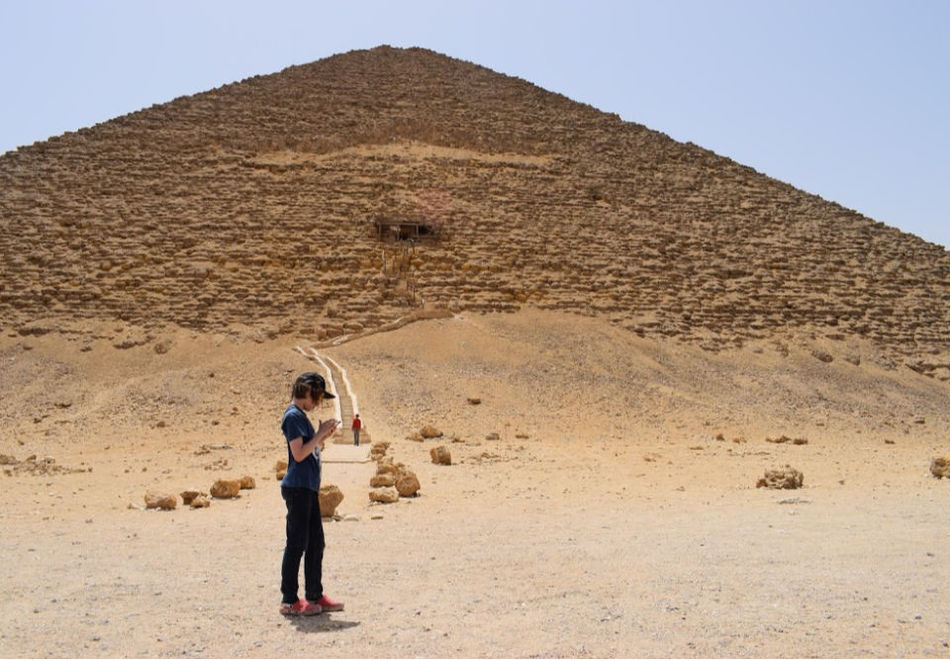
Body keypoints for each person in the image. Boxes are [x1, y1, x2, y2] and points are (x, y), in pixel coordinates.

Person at [278, 371, 345, 616]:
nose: (317, 403)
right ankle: (289, 600)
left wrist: (321, 436)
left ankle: (314, 595)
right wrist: (319, 434)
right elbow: (298, 454)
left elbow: (308, 450)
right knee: (297, 543)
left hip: (307, 487)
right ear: (306, 391)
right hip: (298, 487)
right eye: (316, 397)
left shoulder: (301, 417)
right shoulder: (293, 416)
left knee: (316, 542)